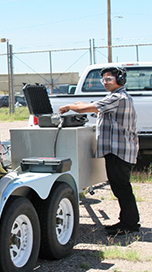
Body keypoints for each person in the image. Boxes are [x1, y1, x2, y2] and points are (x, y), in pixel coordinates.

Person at [59, 66, 140, 236]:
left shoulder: (118, 98)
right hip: (119, 150)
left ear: (120, 79)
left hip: (120, 151)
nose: (105, 82)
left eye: (109, 79)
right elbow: (90, 106)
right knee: (121, 187)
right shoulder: (115, 97)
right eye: (103, 79)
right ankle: (127, 221)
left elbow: (85, 109)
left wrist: (69, 106)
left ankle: (130, 224)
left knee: (122, 188)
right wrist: (78, 105)